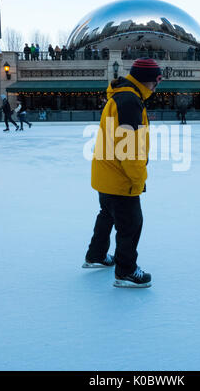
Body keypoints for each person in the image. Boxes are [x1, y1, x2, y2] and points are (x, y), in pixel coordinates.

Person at [83, 58, 163, 288]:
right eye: (156, 81)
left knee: (107, 215)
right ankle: (126, 271)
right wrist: (139, 179)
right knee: (131, 223)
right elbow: (129, 148)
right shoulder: (129, 101)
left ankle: (96, 255)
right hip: (120, 177)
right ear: (147, 80)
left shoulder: (122, 96)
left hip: (106, 173)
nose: (157, 87)